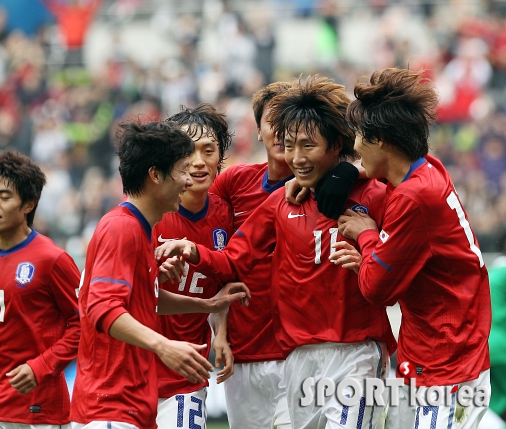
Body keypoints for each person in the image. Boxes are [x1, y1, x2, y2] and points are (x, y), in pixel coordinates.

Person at [157, 75, 396, 429]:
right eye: (287, 138)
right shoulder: (256, 194)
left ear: (335, 143)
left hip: (352, 351)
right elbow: (230, 258)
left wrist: (350, 179)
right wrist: (191, 249)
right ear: (260, 131)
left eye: (306, 144)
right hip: (280, 356)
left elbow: (398, 264)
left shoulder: (372, 195)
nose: (294, 154)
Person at [333, 68, 491, 429]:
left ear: (382, 140)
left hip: (448, 364)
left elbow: (376, 288)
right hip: (436, 351)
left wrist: (366, 234)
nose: (355, 147)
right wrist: (358, 174)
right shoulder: (426, 171)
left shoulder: (414, 197)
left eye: (359, 136)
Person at [70, 120, 249, 429]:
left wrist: (207, 306)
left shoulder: (139, 228)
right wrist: (163, 345)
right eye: (180, 169)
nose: (186, 180)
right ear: (155, 175)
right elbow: (101, 308)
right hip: (110, 403)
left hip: (133, 397)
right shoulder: (121, 228)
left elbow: (146, 299)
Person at [0, 150, 81, 428]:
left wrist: (40, 366)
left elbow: (83, 324)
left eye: (4, 196)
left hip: (37, 408)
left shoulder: (52, 259)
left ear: (28, 204)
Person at [207, 81, 296, 429]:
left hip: (300, 351)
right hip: (242, 354)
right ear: (258, 131)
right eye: (273, 121)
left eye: (291, 121)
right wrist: (220, 332)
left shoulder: (328, 188)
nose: (281, 131)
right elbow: (223, 265)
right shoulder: (233, 184)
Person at [153, 104, 235, 429]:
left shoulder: (227, 216)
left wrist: (221, 332)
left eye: (209, 150)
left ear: (220, 158)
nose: (199, 162)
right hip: (135, 372)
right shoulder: (148, 215)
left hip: (188, 374)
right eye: (189, 152)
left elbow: (223, 283)